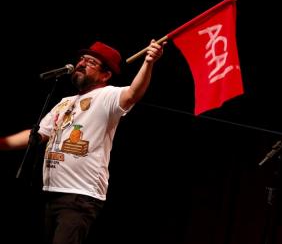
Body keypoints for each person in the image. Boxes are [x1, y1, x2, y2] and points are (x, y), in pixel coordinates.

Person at [0, 39, 165, 244]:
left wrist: (149, 61)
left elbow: (132, 93)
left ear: (105, 75)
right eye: (82, 59)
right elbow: (38, 135)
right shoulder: (64, 103)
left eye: (91, 62)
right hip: (51, 193)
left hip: (79, 196)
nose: (82, 63)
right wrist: (3, 143)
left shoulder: (106, 96)